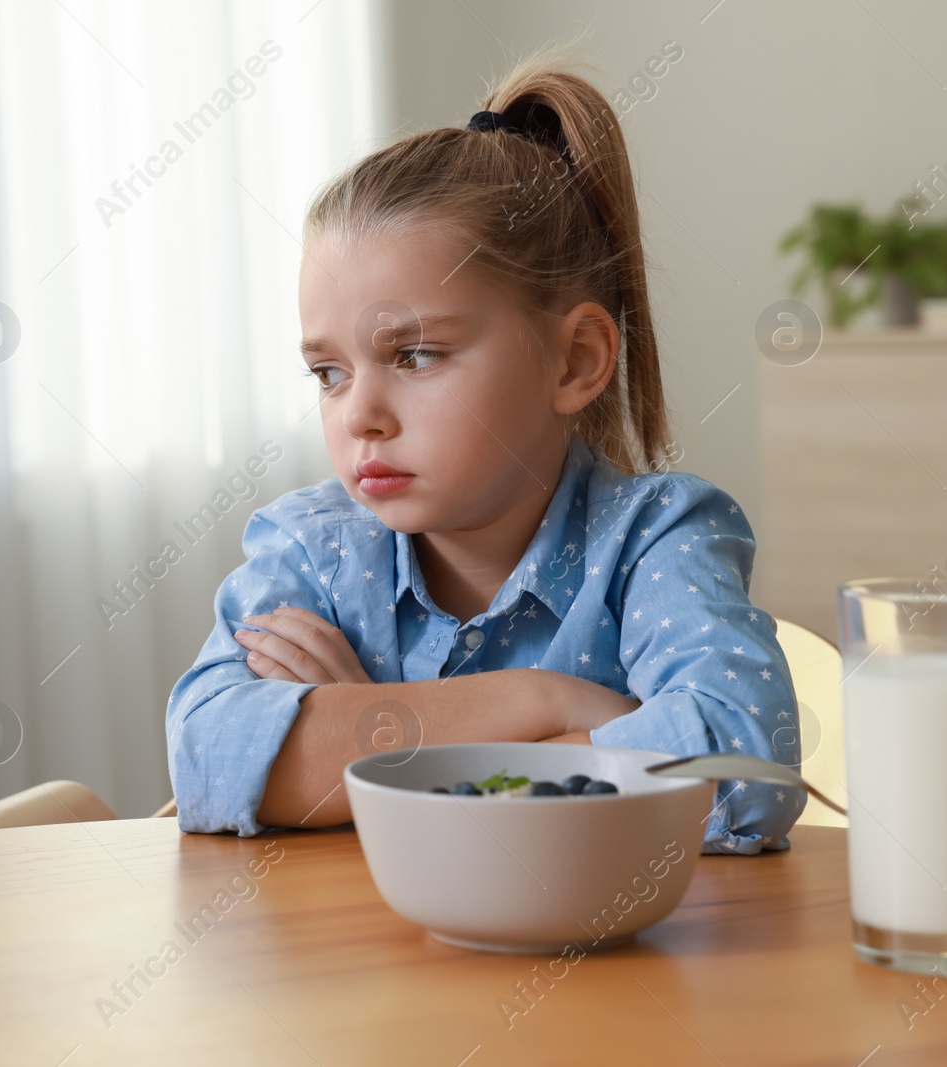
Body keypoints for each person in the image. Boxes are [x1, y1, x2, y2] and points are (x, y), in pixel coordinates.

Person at [164, 50, 806, 854]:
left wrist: (379, 744)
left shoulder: (658, 538)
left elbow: (738, 765)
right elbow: (211, 761)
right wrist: (546, 703)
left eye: (416, 356)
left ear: (574, 361)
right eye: (328, 372)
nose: (359, 413)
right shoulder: (312, 550)